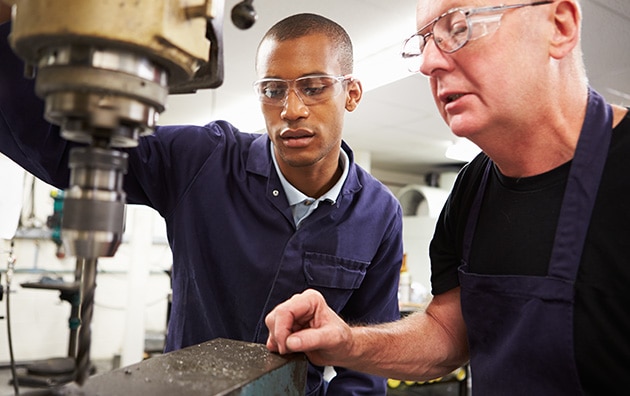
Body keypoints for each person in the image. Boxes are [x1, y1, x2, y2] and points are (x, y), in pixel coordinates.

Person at [0, 11, 404, 396]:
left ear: (351, 94)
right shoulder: (202, 160)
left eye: (313, 88)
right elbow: (62, 148)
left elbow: (365, 365)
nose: (291, 110)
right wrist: (9, 22)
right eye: (273, 90)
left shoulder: (380, 215)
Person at [265, 0, 630, 395]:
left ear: (559, 26)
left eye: (458, 28)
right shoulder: (472, 190)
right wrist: (348, 344)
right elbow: (447, 333)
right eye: (424, 42)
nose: (428, 63)